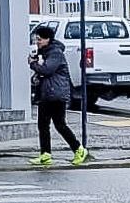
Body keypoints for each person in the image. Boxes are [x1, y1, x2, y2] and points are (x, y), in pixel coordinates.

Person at [29, 25, 88, 167]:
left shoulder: (55, 53)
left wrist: (33, 64)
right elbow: (44, 72)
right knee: (43, 125)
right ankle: (45, 154)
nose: (37, 42)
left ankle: (79, 149)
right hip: (47, 94)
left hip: (56, 94)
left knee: (60, 125)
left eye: (40, 39)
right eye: (36, 39)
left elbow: (48, 70)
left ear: (48, 39)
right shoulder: (45, 52)